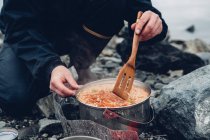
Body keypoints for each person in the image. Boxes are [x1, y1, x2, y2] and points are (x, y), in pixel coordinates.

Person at [0, 0, 168, 116]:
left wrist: (153, 23)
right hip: (32, 34)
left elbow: (139, 10)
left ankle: (81, 64)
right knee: (16, 100)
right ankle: (59, 67)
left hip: (80, 35)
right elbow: (17, 25)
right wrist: (50, 66)